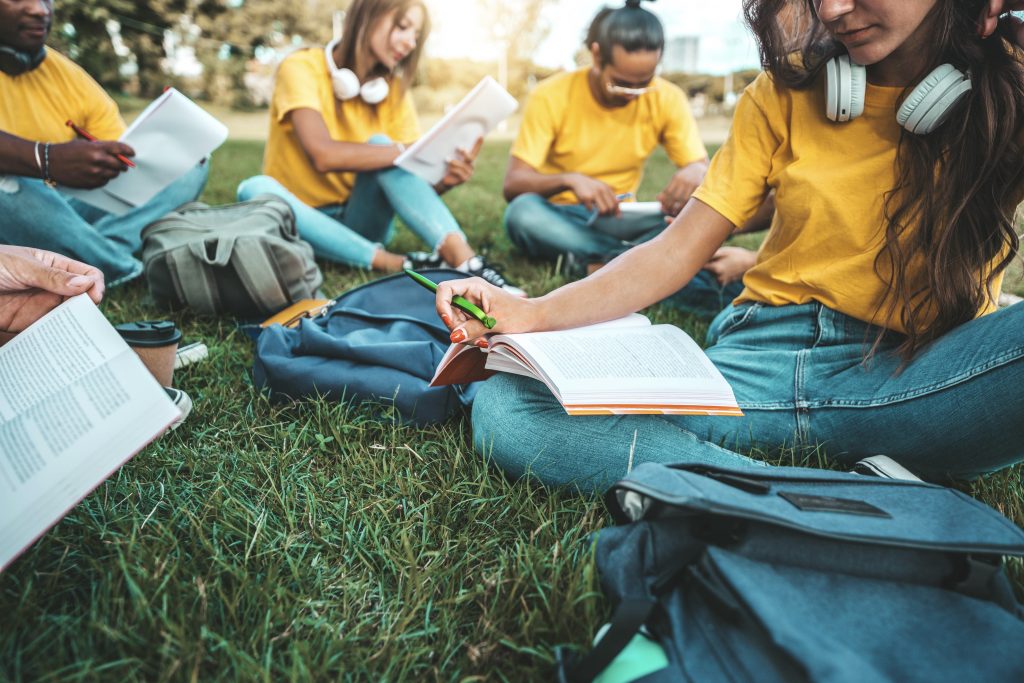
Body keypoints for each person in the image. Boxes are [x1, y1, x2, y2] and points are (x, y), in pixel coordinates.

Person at [433, 0, 1024, 492]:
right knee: (511, 402)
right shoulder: (783, 93)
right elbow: (673, 250)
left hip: (923, 375)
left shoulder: (1012, 83)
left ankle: (761, 487)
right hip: (762, 364)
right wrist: (533, 313)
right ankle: (821, 499)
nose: (833, 9)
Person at [502, 0, 770, 317]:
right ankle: (635, 267)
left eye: (643, 84)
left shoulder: (668, 97)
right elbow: (514, 185)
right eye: (621, 84)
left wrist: (695, 170)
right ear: (597, 55)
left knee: (691, 224)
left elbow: (699, 166)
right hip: (566, 217)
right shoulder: (551, 94)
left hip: (629, 218)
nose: (631, 94)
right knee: (522, 214)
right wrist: (569, 180)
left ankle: (600, 265)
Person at [237, 0, 521, 293]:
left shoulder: (394, 92)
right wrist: (406, 150)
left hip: (361, 222)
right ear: (367, 13)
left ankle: (469, 264)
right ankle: (399, 263)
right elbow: (322, 155)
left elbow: (406, 189)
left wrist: (443, 181)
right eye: (402, 26)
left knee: (382, 146)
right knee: (254, 189)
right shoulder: (301, 67)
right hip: (299, 222)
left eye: (416, 34)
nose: (410, 42)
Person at [0, 0, 208, 286]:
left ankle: (96, 256)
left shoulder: (67, 74)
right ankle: (125, 270)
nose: (40, 10)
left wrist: (166, 155)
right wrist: (46, 160)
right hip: (14, 206)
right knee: (6, 181)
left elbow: (120, 151)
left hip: (64, 210)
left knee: (188, 165)